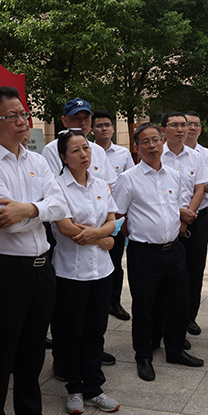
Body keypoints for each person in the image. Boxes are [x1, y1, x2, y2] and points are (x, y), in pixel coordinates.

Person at [0, 86, 67, 415]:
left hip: (43, 268)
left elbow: (61, 206)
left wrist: (27, 208)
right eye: (12, 116)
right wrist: (40, 209)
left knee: (32, 353)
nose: (23, 121)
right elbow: (4, 222)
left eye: (24, 114)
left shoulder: (37, 160)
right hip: (6, 272)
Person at [113, 122, 204, 382]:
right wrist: (139, 235)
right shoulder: (128, 179)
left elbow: (176, 207)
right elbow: (119, 216)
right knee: (144, 307)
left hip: (174, 250)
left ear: (163, 142)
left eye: (156, 140)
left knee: (178, 303)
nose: (152, 146)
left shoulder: (174, 175)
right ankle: (143, 355)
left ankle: (175, 349)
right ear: (136, 147)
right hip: (144, 254)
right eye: (145, 142)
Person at [51, 130, 120, 415]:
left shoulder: (102, 184)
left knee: (95, 331)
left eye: (86, 149)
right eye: (76, 150)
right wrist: (101, 238)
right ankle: (74, 387)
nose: (84, 154)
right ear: (64, 157)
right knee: (71, 333)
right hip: (71, 272)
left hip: (101, 271)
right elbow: (66, 229)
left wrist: (101, 234)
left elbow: (112, 222)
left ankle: (94, 387)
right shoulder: (57, 186)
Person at [160, 112, 208, 336]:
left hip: (193, 219)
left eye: (184, 125)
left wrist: (188, 214)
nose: (181, 129)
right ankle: (164, 319)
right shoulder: (156, 154)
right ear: (164, 130)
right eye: (175, 125)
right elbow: (155, 191)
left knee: (194, 270)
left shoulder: (196, 156)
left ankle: (189, 316)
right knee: (168, 273)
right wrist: (178, 214)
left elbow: (199, 189)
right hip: (165, 222)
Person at [91, 110, 134, 321]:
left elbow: (131, 183)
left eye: (107, 125)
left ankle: (114, 302)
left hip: (116, 216)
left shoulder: (123, 154)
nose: (104, 129)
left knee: (115, 261)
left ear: (113, 128)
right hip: (92, 217)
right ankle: (96, 301)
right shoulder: (86, 151)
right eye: (99, 126)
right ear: (92, 129)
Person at [183, 110, 208, 335]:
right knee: (175, 270)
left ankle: (190, 317)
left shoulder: (205, 154)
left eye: (196, 124)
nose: (192, 128)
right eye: (188, 124)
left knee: (196, 269)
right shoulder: (166, 152)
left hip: (198, 218)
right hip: (173, 217)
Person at [42, 98, 117, 187]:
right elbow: (52, 187)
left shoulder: (98, 150)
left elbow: (109, 184)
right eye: (76, 118)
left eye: (86, 118)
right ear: (65, 121)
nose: (82, 123)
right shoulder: (52, 150)